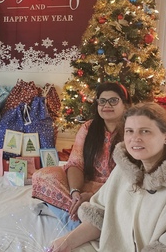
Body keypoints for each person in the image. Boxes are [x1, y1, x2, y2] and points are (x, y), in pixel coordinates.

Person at [48, 102, 166, 252]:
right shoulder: (124, 171)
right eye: (129, 131)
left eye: (145, 131)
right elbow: (101, 217)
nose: (135, 138)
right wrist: (66, 242)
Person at [31, 82, 131, 231]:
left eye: (114, 100)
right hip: (86, 184)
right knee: (42, 176)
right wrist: (75, 192)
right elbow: (76, 163)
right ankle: (81, 218)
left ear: (126, 104)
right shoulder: (88, 128)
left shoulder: (132, 130)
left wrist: (93, 196)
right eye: (102, 101)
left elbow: (131, 177)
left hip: (116, 190)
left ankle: (72, 218)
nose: (106, 105)